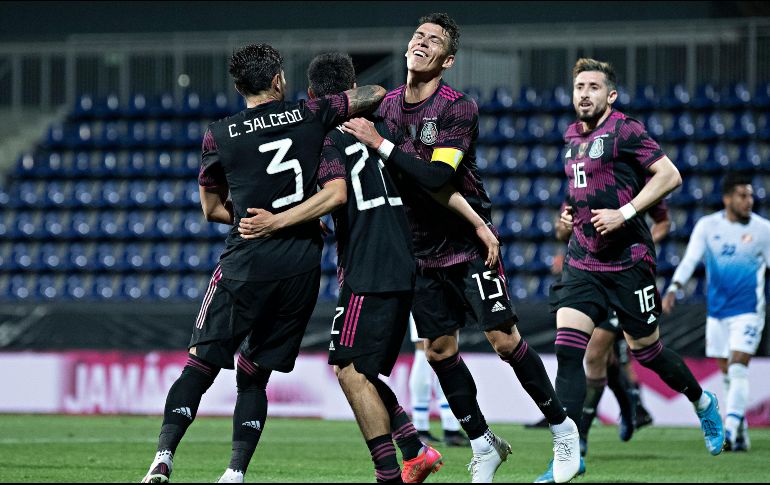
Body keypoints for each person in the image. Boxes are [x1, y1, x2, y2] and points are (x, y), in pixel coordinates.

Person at [341, 12, 581, 483]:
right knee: (438, 350)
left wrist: (381, 144)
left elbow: (438, 177)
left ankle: (564, 428)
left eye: (433, 41)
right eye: (417, 35)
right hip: (418, 253)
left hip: (467, 244)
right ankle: (481, 443)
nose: (421, 43)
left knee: (504, 339)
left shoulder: (457, 108)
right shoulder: (385, 106)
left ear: (447, 60)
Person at [236, 52, 497, 483]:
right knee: (357, 366)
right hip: (407, 259)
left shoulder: (323, 137)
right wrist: (479, 225)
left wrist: (279, 220)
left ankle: (393, 473)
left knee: (350, 369)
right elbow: (434, 183)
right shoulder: (387, 130)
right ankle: (413, 446)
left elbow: (331, 193)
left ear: (314, 96)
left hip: (369, 263)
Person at [141, 44, 386, 484]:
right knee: (253, 375)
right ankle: (234, 472)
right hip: (299, 269)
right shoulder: (311, 115)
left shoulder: (220, 133)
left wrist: (259, 216)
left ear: (238, 87)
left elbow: (211, 209)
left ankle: (163, 457)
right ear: (279, 81)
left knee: (201, 364)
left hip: (245, 265)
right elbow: (373, 92)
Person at [538, 57, 725, 483]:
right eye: (579, 86)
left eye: (593, 86)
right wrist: (564, 221)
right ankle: (568, 454)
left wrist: (624, 212)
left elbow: (670, 175)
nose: (584, 93)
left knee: (648, 353)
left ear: (611, 95)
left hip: (629, 263)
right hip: (583, 261)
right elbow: (575, 199)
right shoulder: (570, 137)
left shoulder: (625, 129)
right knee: (570, 354)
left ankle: (701, 401)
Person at [663, 172, 770, 452]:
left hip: (748, 311)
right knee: (726, 373)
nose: (749, 201)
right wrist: (674, 287)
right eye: (742, 195)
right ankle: (742, 430)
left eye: (750, 195)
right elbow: (690, 260)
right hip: (718, 314)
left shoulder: (763, 230)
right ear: (727, 199)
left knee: (737, 367)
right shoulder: (708, 226)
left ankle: (731, 430)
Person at [554, 198, 670, 456]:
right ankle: (627, 401)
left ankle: (581, 433)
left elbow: (663, 222)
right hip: (587, 276)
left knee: (595, 354)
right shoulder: (581, 177)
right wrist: (565, 225)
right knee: (602, 359)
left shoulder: (638, 180)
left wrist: (638, 247)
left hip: (624, 278)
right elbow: (561, 230)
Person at [408, 315, 470, 447]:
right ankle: (420, 427)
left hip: (447, 295)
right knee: (423, 346)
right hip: (423, 295)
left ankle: (451, 428)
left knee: (449, 347)